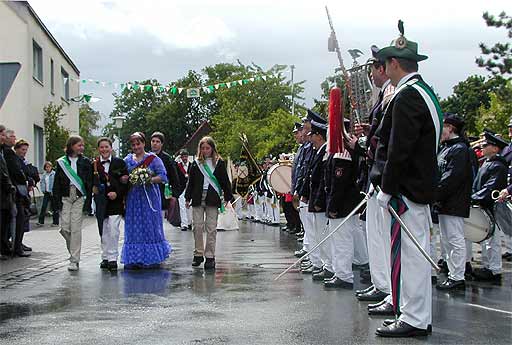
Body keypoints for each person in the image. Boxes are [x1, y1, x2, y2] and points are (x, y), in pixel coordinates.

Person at [371, 22, 442, 337]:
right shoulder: (423, 92)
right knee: (415, 256)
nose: (384, 69)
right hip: (417, 188)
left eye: (385, 63)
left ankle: (412, 318)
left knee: (410, 256)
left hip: (407, 190)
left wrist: (387, 188)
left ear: (394, 64)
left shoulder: (407, 97)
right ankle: (416, 315)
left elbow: (399, 149)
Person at [356, 46, 395, 303]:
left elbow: (386, 138)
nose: (371, 75)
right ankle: (381, 283)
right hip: (374, 174)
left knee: (384, 237)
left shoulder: (392, 95)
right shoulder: (383, 96)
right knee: (375, 236)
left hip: (384, 177)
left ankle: (390, 288)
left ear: (382, 68)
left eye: (373, 69)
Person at [434, 114, 473, 290]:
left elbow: (452, 177)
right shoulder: (447, 148)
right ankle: (452, 272)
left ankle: (458, 276)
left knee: (455, 239)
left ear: (451, 128)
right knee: (447, 240)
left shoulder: (459, 149)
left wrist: (435, 193)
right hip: (444, 202)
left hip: (453, 201)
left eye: (443, 127)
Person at [121, 132, 170, 269]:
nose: (136, 147)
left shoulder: (153, 159)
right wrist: (124, 179)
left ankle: (152, 257)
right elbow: (122, 176)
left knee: (150, 225)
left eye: (139, 143)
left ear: (144, 143)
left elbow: (163, 176)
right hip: (133, 198)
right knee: (134, 225)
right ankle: (135, 258)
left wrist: (149, 179)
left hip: (150, 198)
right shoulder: (127, 160)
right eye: (133, 144)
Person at [185, 136, 233, 270]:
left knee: (211, 229)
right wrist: (187, 198)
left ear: (212, 149)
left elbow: (225, 182)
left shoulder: (219, 163)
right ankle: (198, 253)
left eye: (207, 148)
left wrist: (228, 197)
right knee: (197, 226)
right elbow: (191, 182)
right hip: (197, 197)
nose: (205, 150)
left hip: (212, 198)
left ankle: (210, 256)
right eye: (203, 148)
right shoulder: (196, 163)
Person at [471, 131, 508, 281]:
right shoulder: (488, 163)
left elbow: (490, 188)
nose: (482, 147)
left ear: (495, 148)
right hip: (484, 205)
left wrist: (474, 198)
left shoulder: (498, 166)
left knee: (493, 239)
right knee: (487, 239)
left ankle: (494, 269)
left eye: (486, 145)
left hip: (492, 205)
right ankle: (488, 267)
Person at [53, 135, 93, 271]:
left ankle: (74, 259)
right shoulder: (61, 162)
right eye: (79, 145)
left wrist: (88, 203)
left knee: (75, 228)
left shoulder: (86, 162)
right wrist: (56, 202)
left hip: (79, 196)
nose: (82, 147)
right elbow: (56, 183)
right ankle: (73, 251)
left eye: (82, 145)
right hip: (65, 196)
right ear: (71, 146)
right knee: (65, 228)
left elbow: (89, 183)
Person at [93, 137, 128, 271]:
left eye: (106, 147)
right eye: (101, 147)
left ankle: (113, 258)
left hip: (116, 202)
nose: (104, 149)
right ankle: (105, 257)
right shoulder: (95, 165)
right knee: (104, 230)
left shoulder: (119, 163)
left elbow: (125, 182)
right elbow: (92, 183)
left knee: (113, 229)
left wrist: (117, 193)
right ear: (98, 149)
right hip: (101, 202)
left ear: (111, 148)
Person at [2, 130, 31, 257]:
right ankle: (15, 246)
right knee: (17, 219)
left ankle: (12, 245)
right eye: (11, 136)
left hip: (11, 190)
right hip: (13, 191)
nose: (14, 138)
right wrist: (24, 178)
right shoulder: (8, 153)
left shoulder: (7, 152)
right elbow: (15, 172)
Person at [150, 132, 183, 219]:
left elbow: (175, 178)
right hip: (149, 194)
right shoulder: (146, 157)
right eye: (153, 141)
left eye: (157, 141)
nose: (155, 144)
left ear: (161, 144)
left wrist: (174, 195)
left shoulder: (167, 158)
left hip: (163, 195)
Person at [497, 117, 512, 260]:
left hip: (510, 189)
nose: (510, 130)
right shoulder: (507, 148)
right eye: (509, 127)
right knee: (507, 222)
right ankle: (510, 248)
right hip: (506, 189)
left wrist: (509, 189)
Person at [0, 124, 15, 260]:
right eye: (3, 135)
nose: (4, 138)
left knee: (5, 221)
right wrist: (9, 185)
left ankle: (4, 247)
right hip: (3, 192)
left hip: (5, 193)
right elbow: (3, 173)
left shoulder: (2, 151)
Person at [37, 162, 59, 226]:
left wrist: (54, 191)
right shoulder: (44, 175)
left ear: (51, 167)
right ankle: (41, 221)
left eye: (49, 167)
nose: (48, 168)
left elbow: (56, 183)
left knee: (54, 207)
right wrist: (43, 190)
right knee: (44, 206)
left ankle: (55, 222)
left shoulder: (54, 174)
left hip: (52, 192)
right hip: (46, 192)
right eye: (46, 167)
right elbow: (42, 183)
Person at [177, 149, 192, 231]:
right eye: (183, 157)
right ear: (181, 157)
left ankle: (190, 222)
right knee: (182, 207)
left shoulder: (192, 165)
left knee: (190, 206)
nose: (185, 158)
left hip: (190, 189)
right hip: (181, 189)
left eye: (186, 156)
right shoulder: (177, 166)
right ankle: (184, 224)